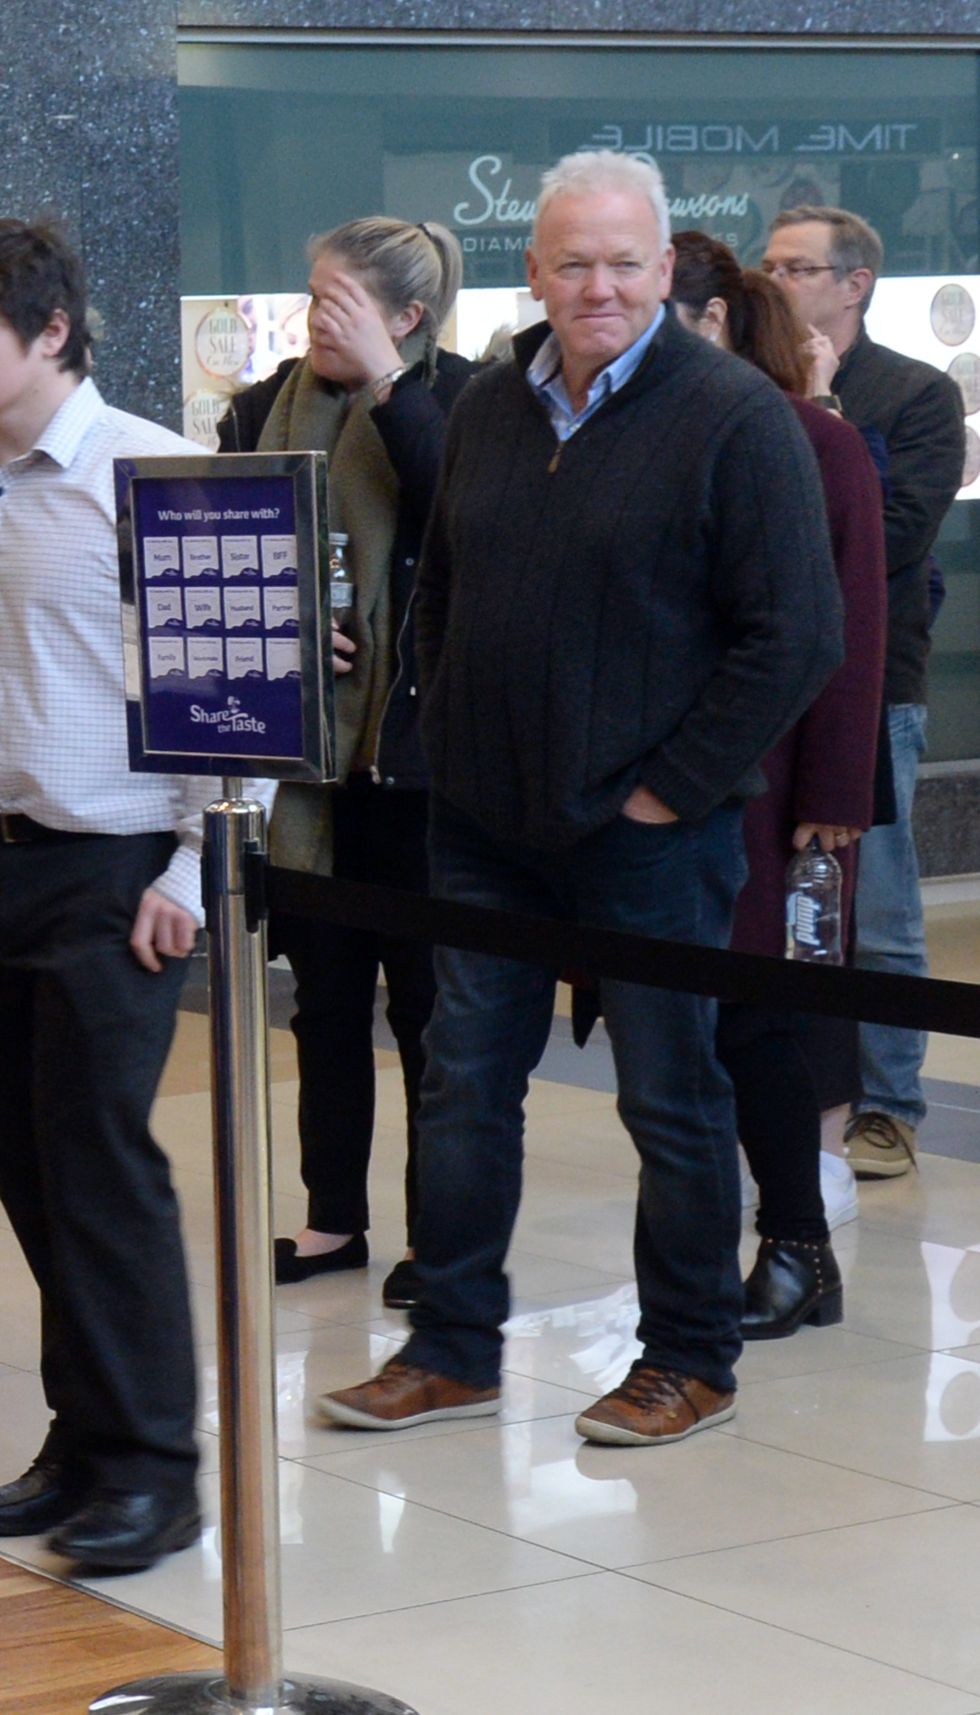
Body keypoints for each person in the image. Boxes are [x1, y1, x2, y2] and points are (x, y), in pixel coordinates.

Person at [317, 150, 841, 1448]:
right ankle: (449, 1348)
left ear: (664, 270)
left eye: (622, 261)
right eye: (570, 262)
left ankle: (690, 1361)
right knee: (459, 1090)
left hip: (649, 838)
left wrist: (668, 792)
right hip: (485, 830)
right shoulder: (493, 407)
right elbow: (440, 589)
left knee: (671, 1102)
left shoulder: (733, 415)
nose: (596, 285)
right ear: (534, 272)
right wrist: (452, 741)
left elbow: (794, 638)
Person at [0, 219, 221, 1573]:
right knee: (28, 1168)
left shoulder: (153, 469)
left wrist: (199, 868)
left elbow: (225, 688)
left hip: (115, 872)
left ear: (49, 334)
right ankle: (81, 1435)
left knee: (101, 1170)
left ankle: (155, 1466)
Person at [217, 219, 472, 1310]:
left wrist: (384, 385)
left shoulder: (461, 402)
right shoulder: (260, 407)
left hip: (416, 768)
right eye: (309, 296)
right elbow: (219, 538)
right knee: (320, 1003)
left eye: (337, 303)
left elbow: (466, 521)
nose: (310, 320)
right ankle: (332, 1216)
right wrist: (268, 619)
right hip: (309, 772)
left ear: (405, 317)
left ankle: (438, 1234)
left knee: (428, 1015)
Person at [668, 231, 883, 1337]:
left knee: (760, 1018)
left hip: (780, 787)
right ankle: (733, 1251)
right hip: (665, 786)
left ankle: (795, 1241)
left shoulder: (812, 439)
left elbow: (847, 633)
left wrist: (835, 796)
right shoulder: (644, 440)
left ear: (706, 322)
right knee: (690, 1031)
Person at [762, 204, 965, 1186]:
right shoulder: (744, 393)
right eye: (768, 265)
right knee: (776, 910)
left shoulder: (912, 393)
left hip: (873, 684)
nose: (779, 281)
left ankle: (888, 1105)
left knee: (875, 911)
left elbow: (886, 536)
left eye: (798, 267)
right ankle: (790, 1094)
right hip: (767, 688)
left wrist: (826, 411)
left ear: (853, 284)